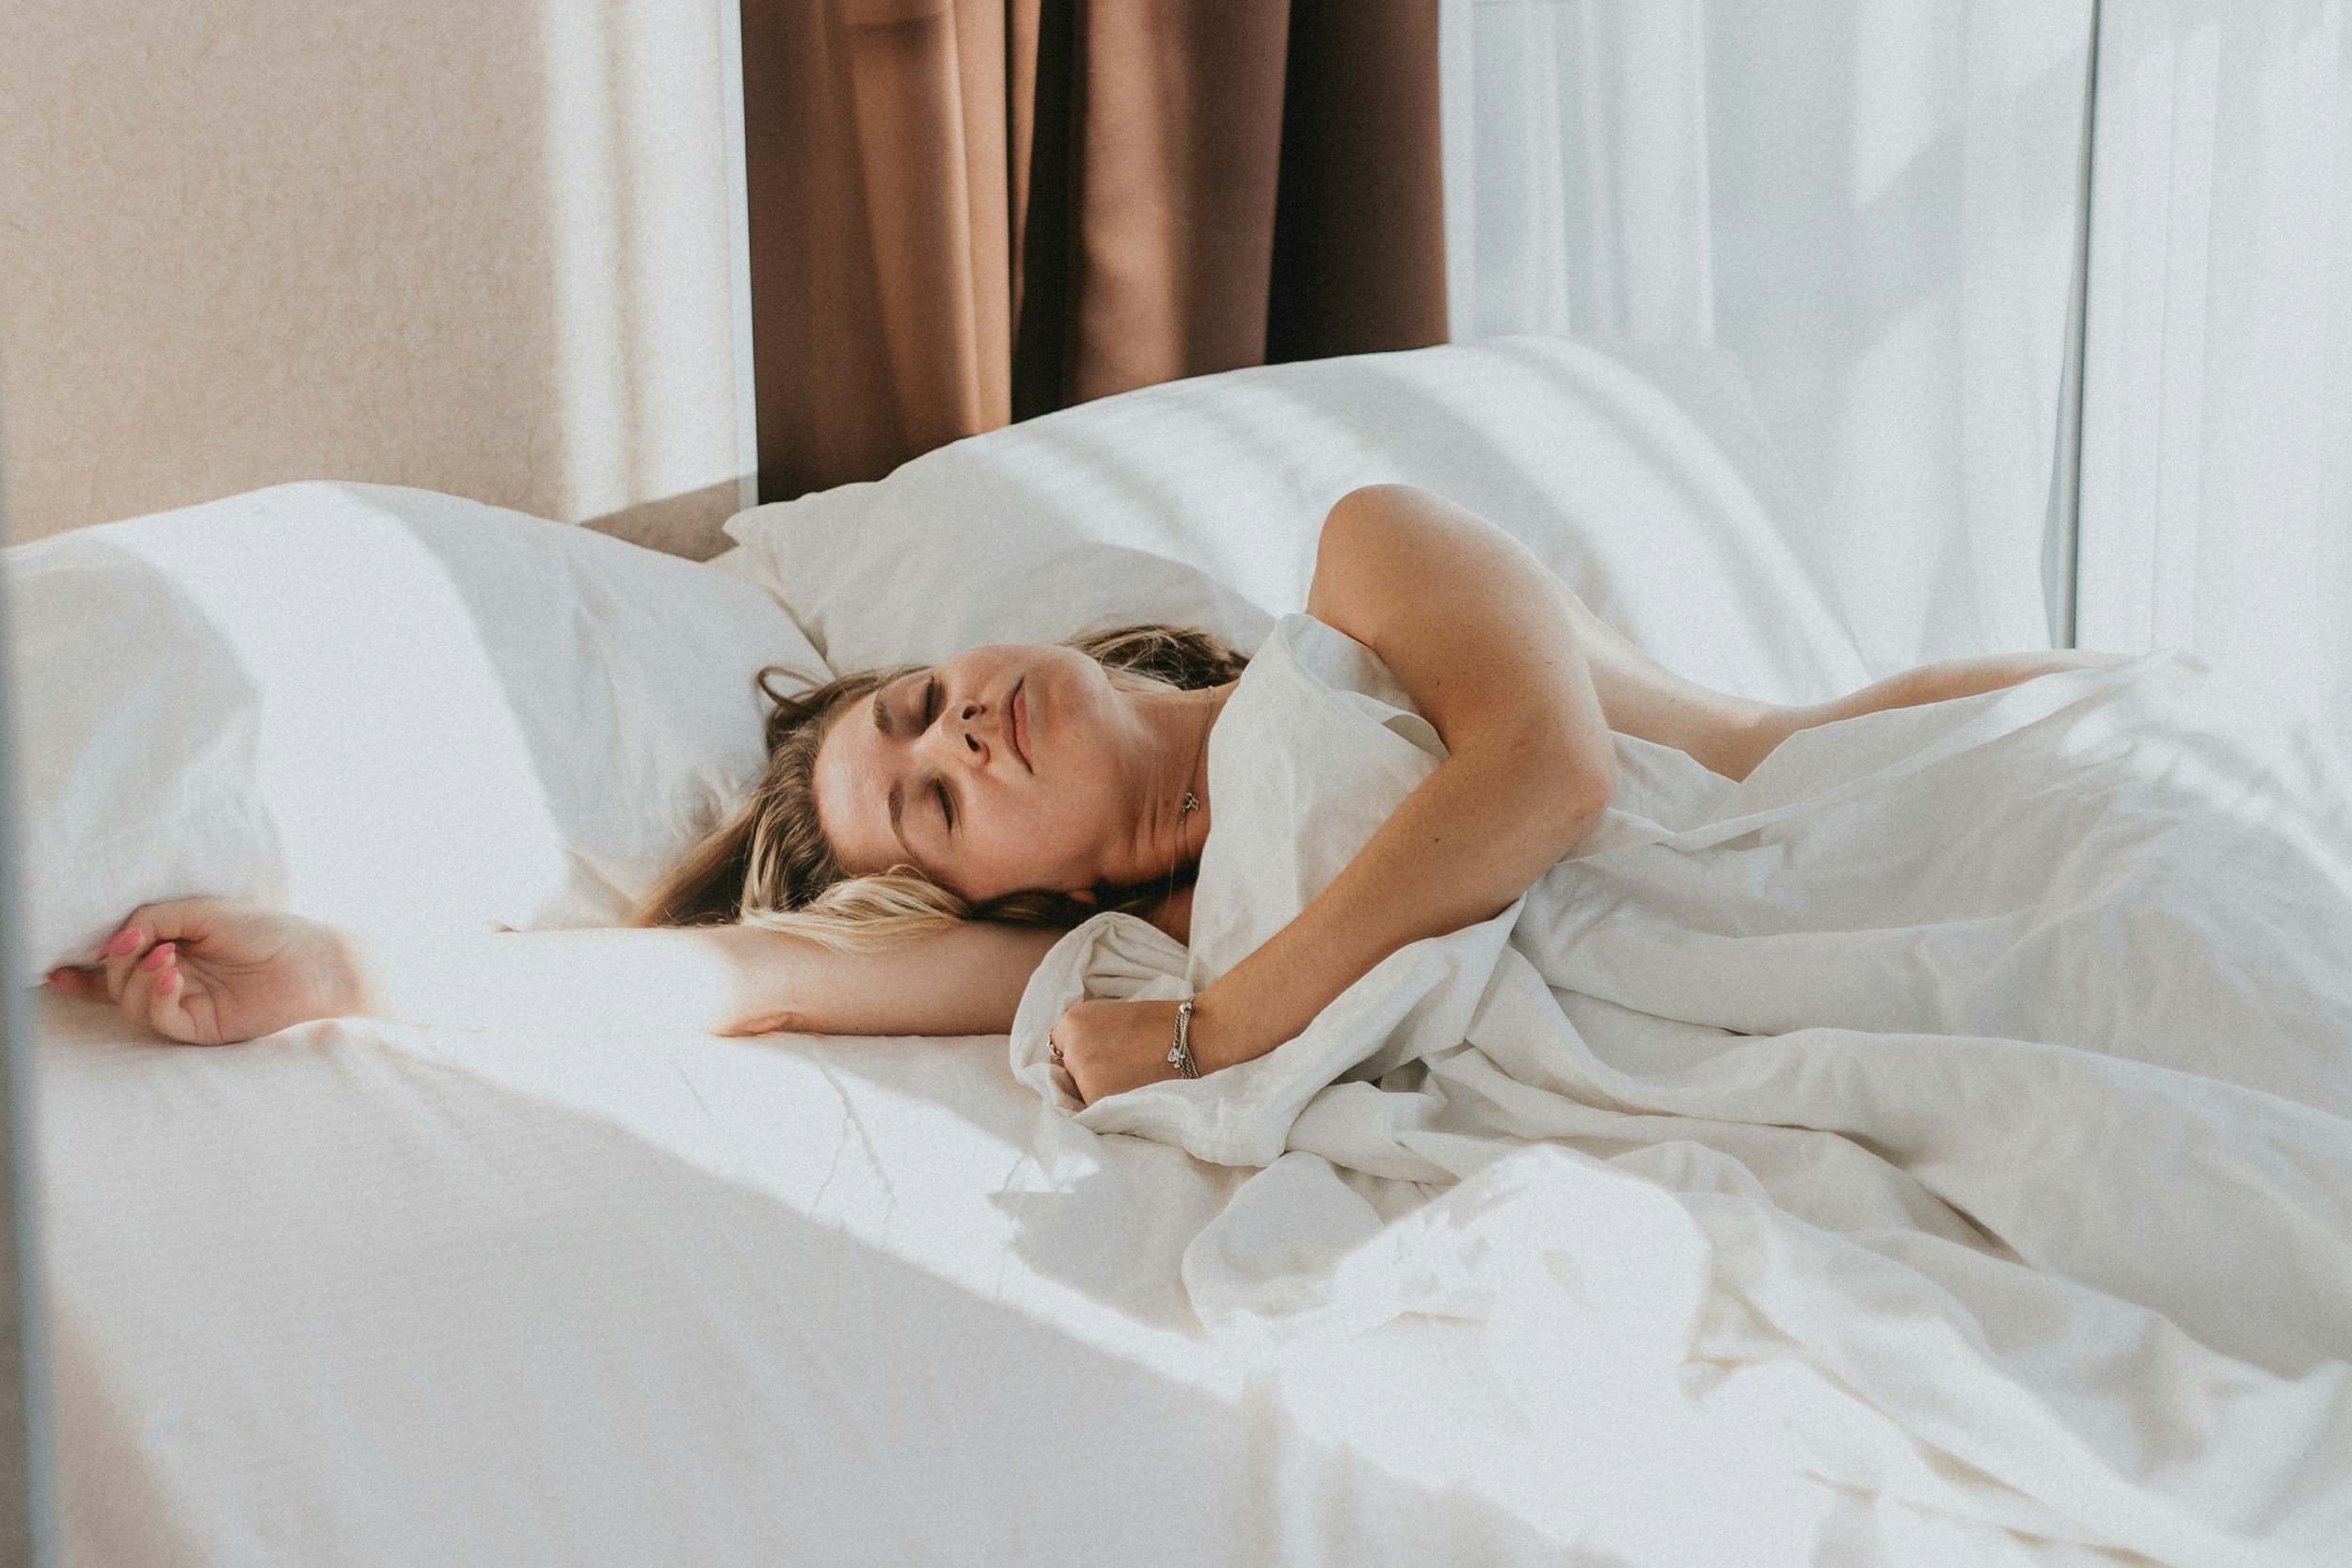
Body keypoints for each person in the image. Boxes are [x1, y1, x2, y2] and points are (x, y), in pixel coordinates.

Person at [44, 484, 2121, 1104]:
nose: (959, 739)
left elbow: (1552, 774)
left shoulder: (1364, 568)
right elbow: (736, 987)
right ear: (1000, 899)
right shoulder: (1121, 954)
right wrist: (335, 961)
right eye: (933, 803)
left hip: (1922, 817)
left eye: (929, 708)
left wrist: (1229, 1025)